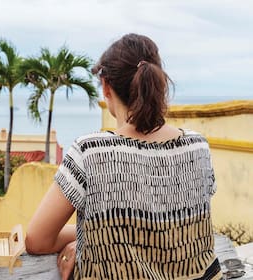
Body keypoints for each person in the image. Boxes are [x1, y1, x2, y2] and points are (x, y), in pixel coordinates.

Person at [25, 33, 222, 280]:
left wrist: (91, 237)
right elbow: (170, 227)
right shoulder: (197, 147)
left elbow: (38, 240)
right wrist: (95, 236)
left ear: (106, 86)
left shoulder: (90, 153)